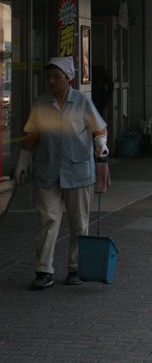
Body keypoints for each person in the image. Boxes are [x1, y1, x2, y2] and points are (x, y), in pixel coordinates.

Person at [14, 56, 108, 290]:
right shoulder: (40, 103)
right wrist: (22, 163)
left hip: (78, 170)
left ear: (69, 78)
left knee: (79, 223)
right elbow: (32, 136)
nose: (52, 81)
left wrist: (101, 144)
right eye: (49, 77)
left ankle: (74, 268)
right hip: (47, 170)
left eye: (57, 77)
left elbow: (99, 128)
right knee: (48, 220)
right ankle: (43, 270)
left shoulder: (82, 102)